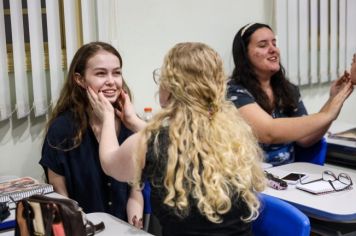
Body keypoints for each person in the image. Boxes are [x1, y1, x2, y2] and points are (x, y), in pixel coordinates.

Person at [88, 42, 266, 236]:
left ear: (171, 87)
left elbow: (109, 164)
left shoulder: (150, 142)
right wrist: (134, 122)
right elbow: (177, 140)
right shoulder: (233, 134)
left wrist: (106, 117)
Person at [40, 42, 145, 227]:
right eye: (101, 73)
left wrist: (133, 224)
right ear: (80, 80)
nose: (111, 81)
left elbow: (136, 189)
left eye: (117, 72)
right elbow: (60, 193)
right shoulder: (62, 129)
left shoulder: (131, 125)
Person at [227, 23, 354, 166]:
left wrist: (333, 99)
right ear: (244, 55)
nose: (273, 49)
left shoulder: (288, 89)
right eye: (263, 45)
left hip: (288, 179)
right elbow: (269, 133)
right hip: (253, 180)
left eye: (274, 43)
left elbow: (306, 138)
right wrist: (329, 113)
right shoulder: (233, 92)